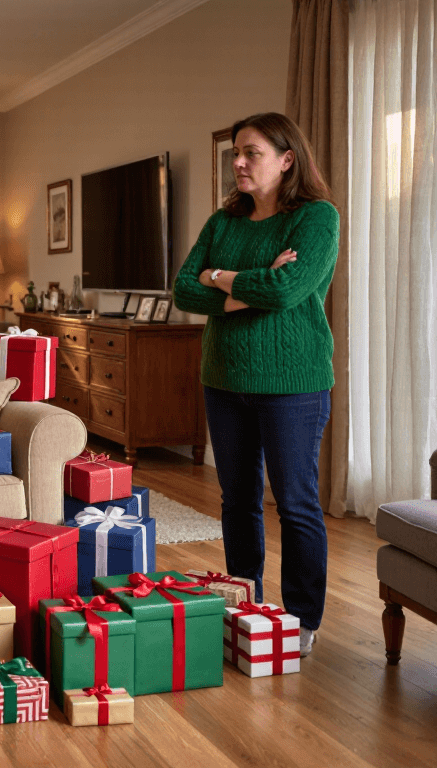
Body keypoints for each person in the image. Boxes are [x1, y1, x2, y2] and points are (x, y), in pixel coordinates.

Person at [172, 112, 338, 658]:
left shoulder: (316, 219)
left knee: (295, 502)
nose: (238, 163)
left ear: (287, 159)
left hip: (293, 383)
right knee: (238, 499)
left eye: (252, 153)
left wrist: (217, 278)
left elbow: (289, 289)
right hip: (224, 378)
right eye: (236, 154)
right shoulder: (224, 222)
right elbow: (182, 291)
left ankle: (301, 617)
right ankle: (246, 603)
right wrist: (246, 284)